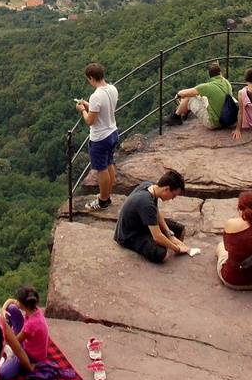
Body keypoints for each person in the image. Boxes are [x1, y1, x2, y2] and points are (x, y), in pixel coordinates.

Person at [113, 170, 191, 263]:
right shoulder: (146, 203)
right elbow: (157, 237)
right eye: (173, 195)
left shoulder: (151, 186)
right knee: (163, 255)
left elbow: (156, 212)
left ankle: (170, 246)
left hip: (143, 223)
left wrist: (169, 234)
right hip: (130, 235)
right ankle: (171, 249)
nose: (173, 198)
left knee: (181, 231)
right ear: (166, 189)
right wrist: (177, 248)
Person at [76, 63, 119, 211]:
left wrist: (82, 110)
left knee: (101, 169)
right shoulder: (112, 89)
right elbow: (105, 107)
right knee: (109, 164)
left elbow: (90, 121)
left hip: (100, 138)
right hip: (113, 132)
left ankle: (103, 200)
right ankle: (107, 195)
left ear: (92, 78)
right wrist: (89, 105)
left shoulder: (96, 96)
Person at [217, 190, 252, 290]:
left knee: (220, 247)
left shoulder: (230, 224)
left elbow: (227, 248)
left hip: (232, 280)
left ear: (239, 209)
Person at [168, 63, 234, 129]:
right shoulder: (226, 82)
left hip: (214, 123)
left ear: (210, 75)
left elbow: (184, 93)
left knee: (189, 98)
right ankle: (183, 112)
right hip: (227, 119)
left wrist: (178, 94)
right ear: (220, 73)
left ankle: (176, 116)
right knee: (203, 97)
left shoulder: (208, 86)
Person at [2, 285, 48, 375]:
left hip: (32, 355)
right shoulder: (35, 309)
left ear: (22, 305)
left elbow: (15, 341)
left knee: (3, 374)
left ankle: (10, 354)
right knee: (11, 308)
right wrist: (3, 310)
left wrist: (3, 326)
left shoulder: (31, 325)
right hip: (27, 341)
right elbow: (10, 301)